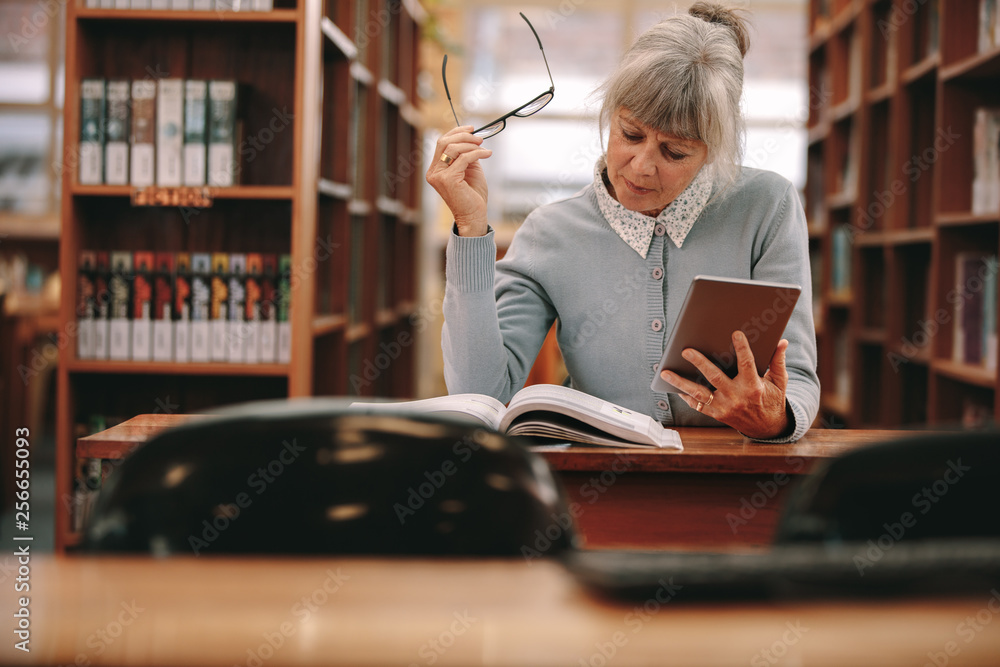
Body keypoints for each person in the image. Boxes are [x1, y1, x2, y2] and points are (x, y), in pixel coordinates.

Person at [426, 2, 819, 442]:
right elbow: (480, 395)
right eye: (630, 134)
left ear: (714, 151)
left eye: (675, 152)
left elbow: (797, 381)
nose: (642, 166)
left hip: (733, 478)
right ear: (609, 114)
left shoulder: (767, 206)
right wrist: (470, 229)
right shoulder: (550, 233)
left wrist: (774, 418)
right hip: (594, 479)